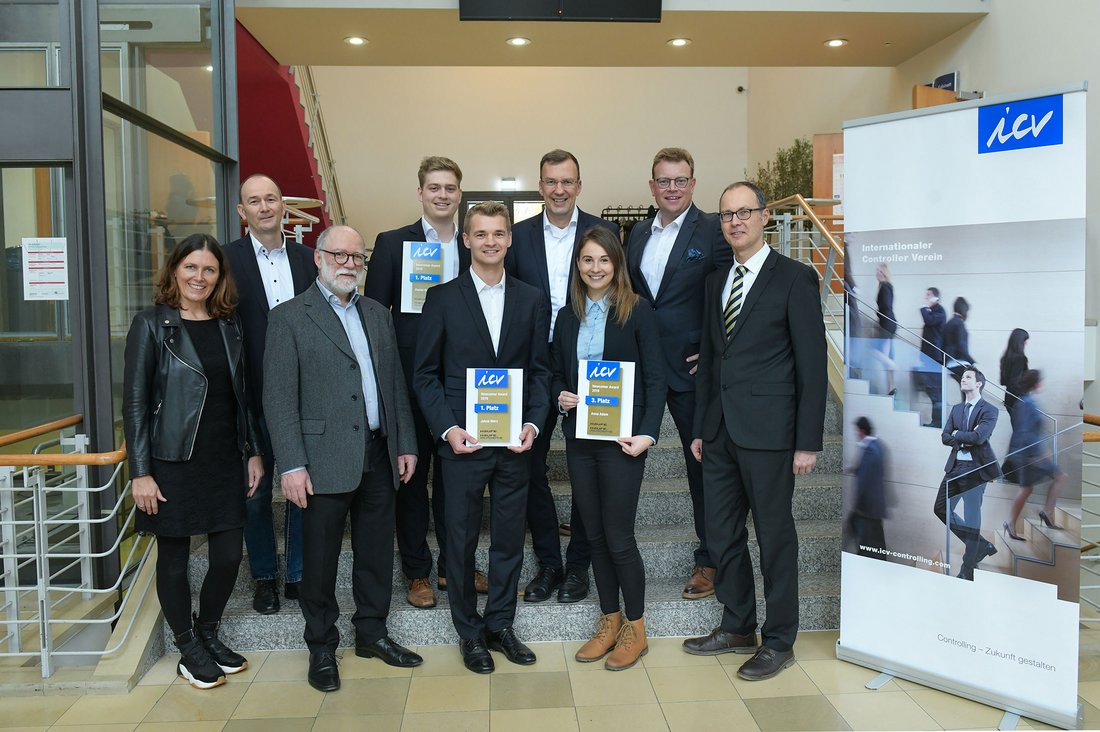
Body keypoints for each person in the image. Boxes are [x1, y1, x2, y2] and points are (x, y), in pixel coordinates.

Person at [264, 225, 423, 693]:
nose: (350, 263)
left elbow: (393, 384)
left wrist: (406, 442)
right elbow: (278, 399)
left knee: (375, 553)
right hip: (319, 460)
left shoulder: (377, 313)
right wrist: (290, 464)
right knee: (320, 560)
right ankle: (321, 645)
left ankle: (371, 633)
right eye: (340, 255)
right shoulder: (289, 317)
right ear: (318, 258)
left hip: (378, 452)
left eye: (358, 257)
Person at [682, 181, 826, 681]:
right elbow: (712, 361)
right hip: (720, 433)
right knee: (721, 536)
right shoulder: (715, 281)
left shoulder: (795, 278)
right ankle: (738, 624)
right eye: (726, 215)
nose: (735, 221)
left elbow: (812, 366)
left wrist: (808, 440)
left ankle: (780, 638)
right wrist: (702, 428)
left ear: (765, 217)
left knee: (774, 537)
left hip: (770, 434)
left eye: (744, 212)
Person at [414, 201, 551, 674]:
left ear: (509, 239)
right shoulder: (442, 298)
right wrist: (448, 429)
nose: (490, 241)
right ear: (466, 240)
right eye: (481, 233)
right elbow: (426, 374)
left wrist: (533, 424)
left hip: (514, 445)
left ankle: (500, 626)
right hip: (462, 445)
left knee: (510, 539)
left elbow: (540, 371)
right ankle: (469, 634)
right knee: (460, 540)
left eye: (499, 233)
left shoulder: (532, 299)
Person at [123, 233, 264, 689]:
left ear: (219, 276)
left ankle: (208, 633)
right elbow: (136, 404)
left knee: (227, 556)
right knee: (175, 559)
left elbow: (243, 398)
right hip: (172, 461)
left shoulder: (230, 324)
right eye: (191, 268)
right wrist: (140, 472)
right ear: (174, 271)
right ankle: (187, 648)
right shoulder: (150, 324)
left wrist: (254, 451)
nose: (199, 277)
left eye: (209, 269)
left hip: (225, 457)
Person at [363, 156, 480, 609]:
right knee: (412, 480)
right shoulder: (394, 245)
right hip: (412, 382)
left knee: (458, 481)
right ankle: (417, 573)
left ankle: (455, 567)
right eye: (434, 187)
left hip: (467, 383)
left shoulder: (474, 244)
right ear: (420, 193)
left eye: (450, 187)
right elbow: (375, 317)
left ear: (459, 193)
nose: (443, 195)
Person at [507, 149, 619, 605]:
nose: (559, 189)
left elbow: (622, 291)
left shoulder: (603, 232)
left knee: (587, 467)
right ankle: (549, 563)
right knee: (528, 463)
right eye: (551, 181)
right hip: (533, 364)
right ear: (540, 186)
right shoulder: (517, 236)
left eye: (567, 181)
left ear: (579, 185)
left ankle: (578, 566)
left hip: (588, 366)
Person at [551, 226, 666, 670]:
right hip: (580, 439)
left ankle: (635, 629)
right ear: (578, 267)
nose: (595, 268)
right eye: (587, 260)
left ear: (616, 264)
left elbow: (656, 378)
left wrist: (648, 434)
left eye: (603, 260)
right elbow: (555, 371)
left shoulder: (637, 311)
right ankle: (609, 620)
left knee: (618, 538)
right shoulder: (567, 316)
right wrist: (560, 395)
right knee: (594, 536)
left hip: (623, 442)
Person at [626, 147, 733, 600]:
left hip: (692, 370)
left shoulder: (712, 230)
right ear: (651, 186)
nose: (672, 188)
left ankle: (710, 560)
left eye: (680, 180)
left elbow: (732, 295)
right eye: (663, 181)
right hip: (638, 367)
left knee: (703, 469)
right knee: (617, 462)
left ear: (693, 184)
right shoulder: (634, 234)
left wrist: (715, 352)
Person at [225, 173, 318, 616]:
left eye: (271, 199)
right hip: (251, 397)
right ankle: (264, 576)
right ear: (242, 212)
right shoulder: (226, 261)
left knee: (304, 488)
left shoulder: (308, 259)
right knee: (256, 493)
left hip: (305, 396)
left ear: (284, 206)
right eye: (254, 201)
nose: (264, 207)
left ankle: (298, 574)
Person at [934, 368, 1000, 581]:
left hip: (976, 470)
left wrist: (957, 435)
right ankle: (981, 545)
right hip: (954, 468)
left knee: (972, 519)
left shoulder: (989, 410)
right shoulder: (956, 409)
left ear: (979, 383)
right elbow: (944, 437)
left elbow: (979, 437)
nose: (963, 379)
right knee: (941, 509)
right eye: (962, 377)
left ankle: (967, 569)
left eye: (968, 377)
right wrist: (964, 438)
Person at [1004, 370, 1066, 539]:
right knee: (1060, 476)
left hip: (1022, 453)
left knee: (1026, 489)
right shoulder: (1028, 403)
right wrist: (1036, 455)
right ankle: (1046, 512)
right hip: (1028, 454)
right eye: (1041, 381)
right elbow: (1026, 432)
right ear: (1036, 383)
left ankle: (1010, 524)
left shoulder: (1023, 401)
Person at [847, 417, 887, 557]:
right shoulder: (878, 445)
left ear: (861, 430)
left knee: (867, 543)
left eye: (857, 430)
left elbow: (865, 480)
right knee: (875, 543)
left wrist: (857, 505)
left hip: (867, 507)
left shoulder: (869, 449)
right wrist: (856, 469)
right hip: (875, 507)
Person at [919, 287, 947, 426]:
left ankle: (937, 421)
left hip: (934, 357)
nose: (926, 297)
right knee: (930, 389)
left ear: (936, 298)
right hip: (927, 357)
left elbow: (929, 321)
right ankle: (935, 420)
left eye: (929, 295)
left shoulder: (940, 312)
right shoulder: (933, 311)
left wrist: (924, 308)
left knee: (936, 392)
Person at [873, 264, 897, 395]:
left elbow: (886, 305)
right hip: (889, 323)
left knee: (874, 351)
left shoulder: (885, 286)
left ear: (884, 273)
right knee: (887, 357)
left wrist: (879, 312)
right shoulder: (886, 286)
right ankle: (890, 388)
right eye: (877, 271)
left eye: (879, 271)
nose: (877, 273)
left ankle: (894, 366)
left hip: (887, 323)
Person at [942, 297, 977, 383]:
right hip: (960, 362)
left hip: (950, 363)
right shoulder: (959, 323)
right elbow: (961, 345)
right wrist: (972, 362)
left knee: (966, 389)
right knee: (973, 388)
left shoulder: (948, 323)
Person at [999, 328, 1030, 414]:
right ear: (1020, 341)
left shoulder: (1004, 358)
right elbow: (1015, 382)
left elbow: (1003, 381)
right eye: (1025, 340)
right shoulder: (1020, 359)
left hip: (1009, 398)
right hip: (1019, 399)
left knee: (1016, 426)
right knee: (1022, 427)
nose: (1026, 343)